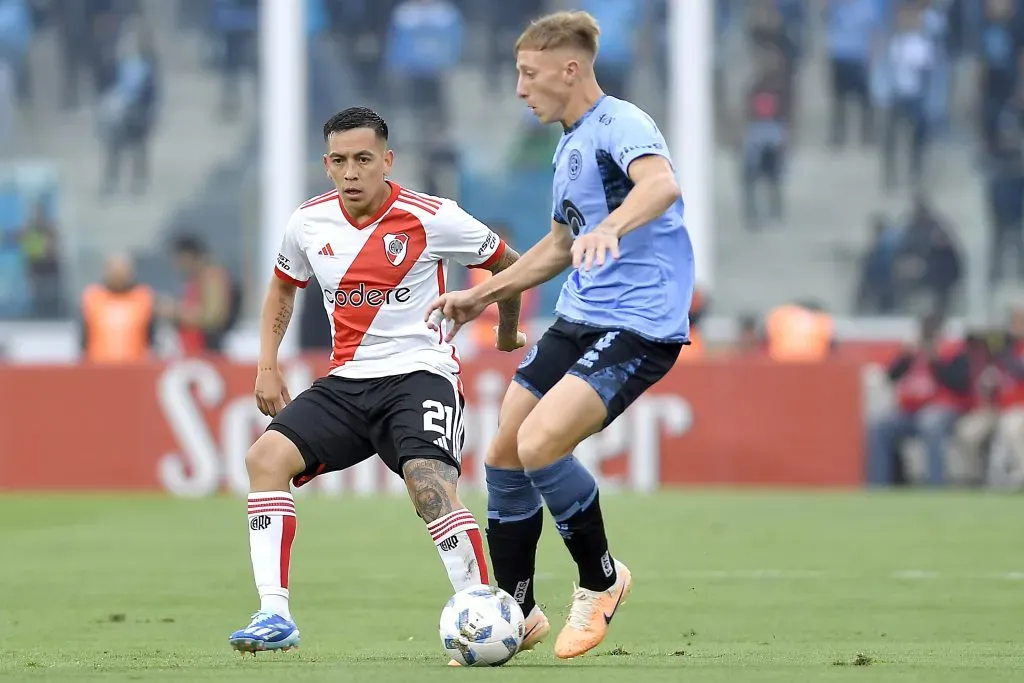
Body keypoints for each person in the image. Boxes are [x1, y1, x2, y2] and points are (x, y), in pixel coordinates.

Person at [426, 11, 693, 661]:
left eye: (528, 73)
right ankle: (517, 609)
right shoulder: (570, 144)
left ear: (569, 69)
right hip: (582, 314)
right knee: (505, 451)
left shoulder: (622, 123)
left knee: (543, 441)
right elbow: (558, 244)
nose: (519, 88)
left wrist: (615, 228)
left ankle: (602, 580)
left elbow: (660, 184)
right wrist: (479, 294)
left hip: (639, 322)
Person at [229, 107, 524, 654]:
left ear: (387, 161)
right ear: (326, 165)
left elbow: (510, 265)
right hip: (347, 382)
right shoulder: (307, 222)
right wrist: (267, 364)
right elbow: (282, 287)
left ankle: (486, 608)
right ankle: (274, 616)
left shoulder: (432, 216)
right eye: (339, 161)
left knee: (426, 481)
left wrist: (506, 330)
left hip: (419, 374)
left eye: (363, 159)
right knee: (263, 460)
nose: (351, 172)